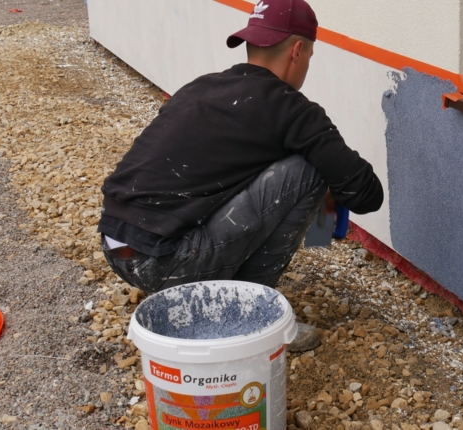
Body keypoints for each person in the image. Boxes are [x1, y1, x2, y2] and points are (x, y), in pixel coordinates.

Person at [97, 0, 383, 351]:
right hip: (163, 263)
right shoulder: (291, 110)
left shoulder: (201, 87)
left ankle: (204, 295)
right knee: (308, 170)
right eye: (310, 55)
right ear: (298, 51)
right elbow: (367, 195)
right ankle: (249, 316)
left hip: (117, 248)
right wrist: (326, 176)